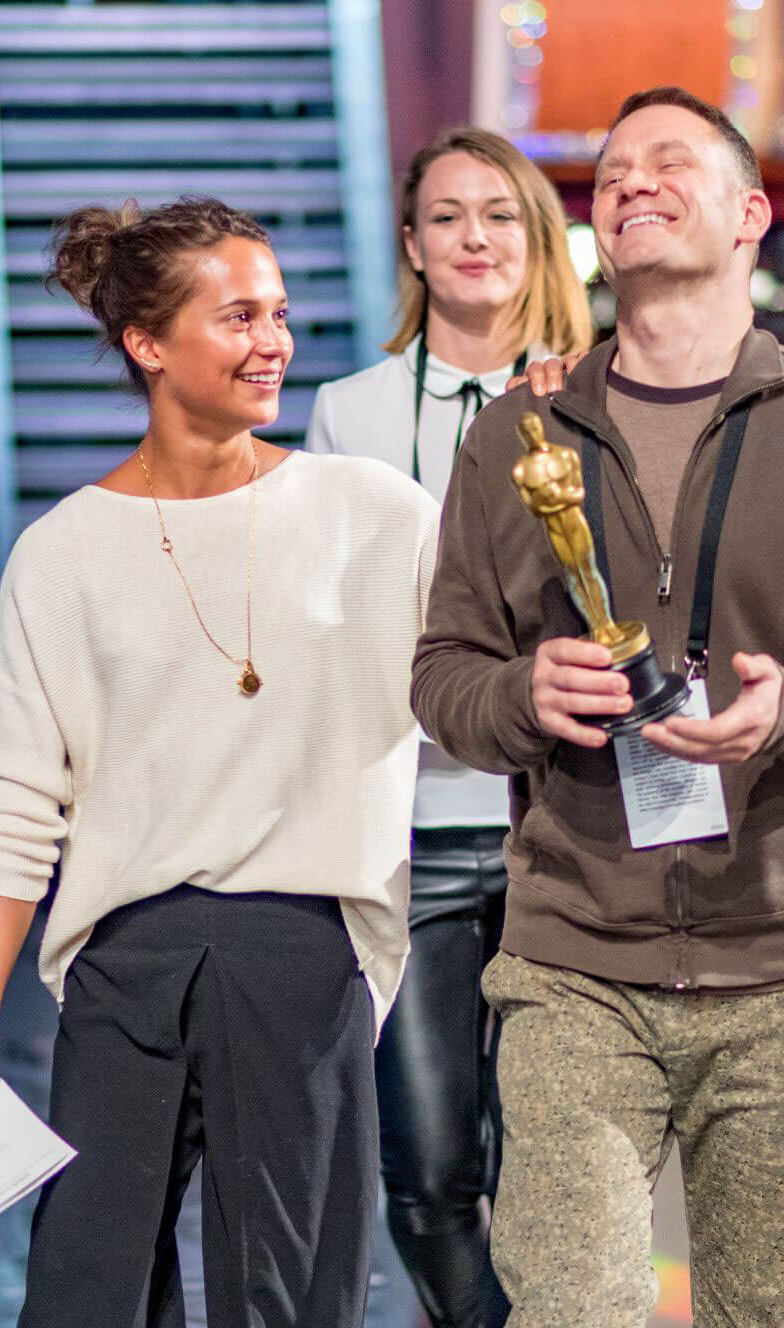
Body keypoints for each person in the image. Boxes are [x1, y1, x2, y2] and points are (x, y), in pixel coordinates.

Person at [411, 87, 784, 1328]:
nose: (632, 184)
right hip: (572, 965)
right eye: (611, 174)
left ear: (751, 214)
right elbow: (442, 673)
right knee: (566, 1308)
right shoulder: (517, 435)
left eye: (671, 163)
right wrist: (519, 692)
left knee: (757, 1315)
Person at [0, 196, 440, 1328]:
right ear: (147, 344)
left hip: (306, 951)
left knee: (294, 1302)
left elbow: (475, 691)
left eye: (282, 314)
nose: (275, 343)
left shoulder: (378, 512)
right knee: (85, 1294)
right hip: (124, 962)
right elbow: (19, 804)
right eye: (239, 315)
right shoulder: (59, 553)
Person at [305, 128, 591, 1328]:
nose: (475, 237)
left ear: (535, 241)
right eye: (448, 216)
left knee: (552, 1172)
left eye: (500, 214)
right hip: (404, 829)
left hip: (562, 827)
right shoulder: (346, 408)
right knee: (427, 1174)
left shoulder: (602, 396)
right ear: (414, 245)